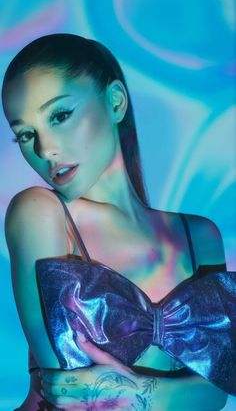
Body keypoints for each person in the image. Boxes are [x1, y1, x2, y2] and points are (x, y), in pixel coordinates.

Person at [1, 33, 230, 410]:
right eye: (26, 135)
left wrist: (137, 394)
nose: (44, 149)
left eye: (60, 115)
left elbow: (214, 393)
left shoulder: (199, 236)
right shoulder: (39, 214)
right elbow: (71, 395)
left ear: (115, 101)